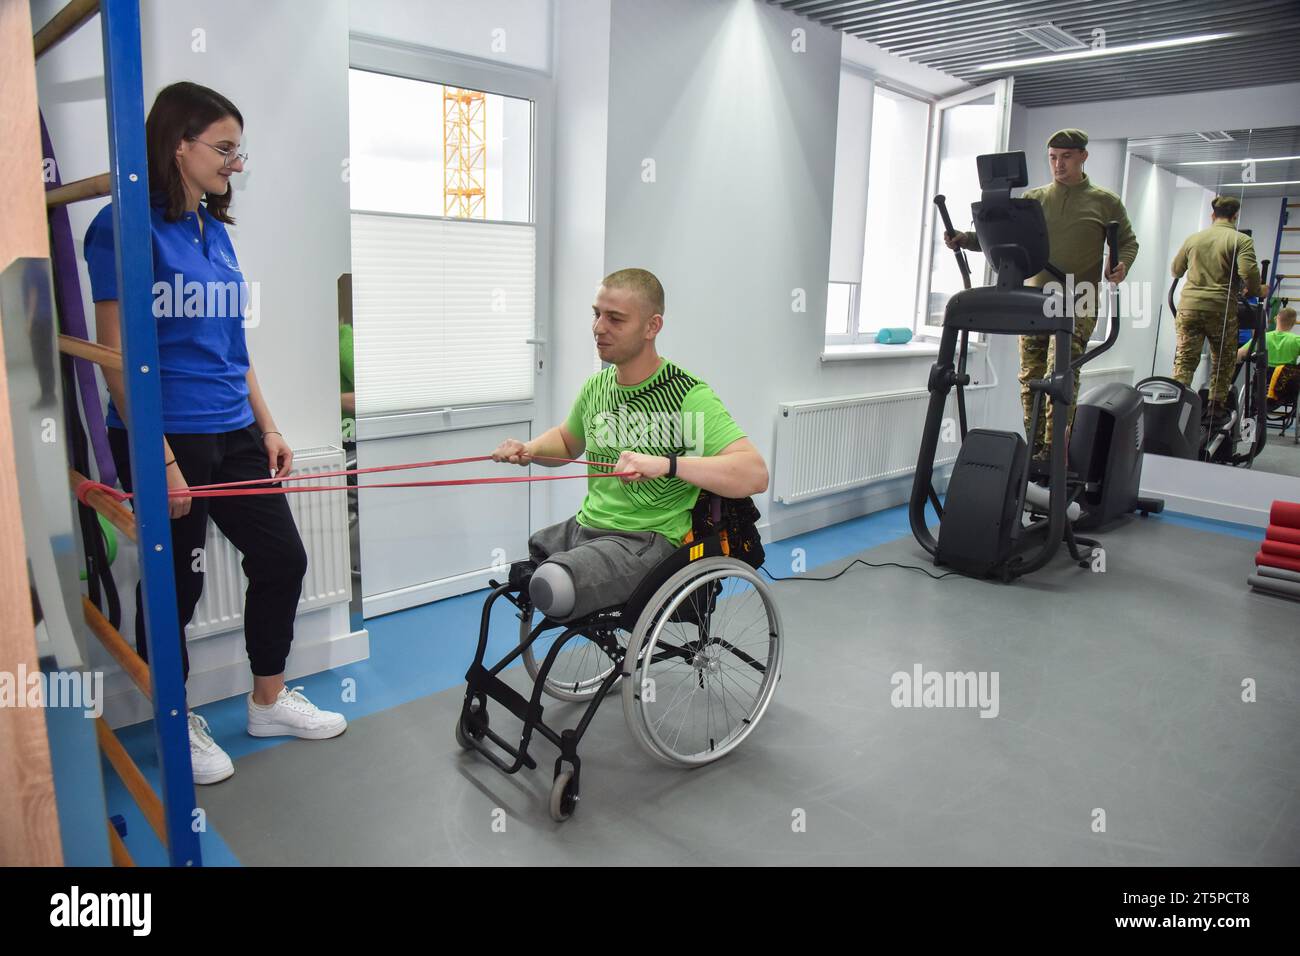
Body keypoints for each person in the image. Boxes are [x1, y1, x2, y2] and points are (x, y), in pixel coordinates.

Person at [84, 82, 345, 785]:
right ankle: (176, 724)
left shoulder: (216, 235)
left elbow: (232, 346)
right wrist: (160, 458)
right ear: (178, 145)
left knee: (283, 559)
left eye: (239, 150)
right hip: (165, 432)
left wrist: (268, 424)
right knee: (174, 587)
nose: (236, 162)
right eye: (224, 148)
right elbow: (114, 359)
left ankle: (267, 700)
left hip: (232, 429)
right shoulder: (121, 227)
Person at [492, 268, 767, 622]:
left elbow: (755, 473)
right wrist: (528, 449)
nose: (598, 327)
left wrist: (666, 464)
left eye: (615, 319)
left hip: (649, 541)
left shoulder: (686, 395)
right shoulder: (597, 387)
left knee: (551, 582)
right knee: (526, 567)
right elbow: (565, 440)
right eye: (597, 314)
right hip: (587, 528)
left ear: (652, 327)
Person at [945, 129, 1138, 461]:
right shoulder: (1034, 200)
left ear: (1082, 157)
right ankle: (1035, 450)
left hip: (1079, 301)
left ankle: (1054, 453)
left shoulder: (1106, 202)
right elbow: (1001, 237)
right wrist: (965, 238)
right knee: (1030, 377)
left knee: (1058, 374)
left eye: (1065, 157)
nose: (1058, 165)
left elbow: (1128, 242)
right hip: (1034, 302)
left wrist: (1120, 264)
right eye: (1052, 157)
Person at [1171, 195, 1261, 427]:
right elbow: (1248, 274)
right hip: (1220, 309)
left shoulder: (1194, 238)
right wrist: (1259, 290)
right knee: (1223, 359)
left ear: (1213, 215)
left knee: (1185, 359)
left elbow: (1175, 270)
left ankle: (1175, 406)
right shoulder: (1241, 240)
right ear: (1235, 216)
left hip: (1188, 307)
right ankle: (1214, 409)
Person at [1239, 306, 1300, 404]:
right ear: (1293, 323)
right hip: (1284, 388)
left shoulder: (1262, 338)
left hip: (1262, 384)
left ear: (1276, 319)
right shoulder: (1297, 340)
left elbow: (1239, 354)